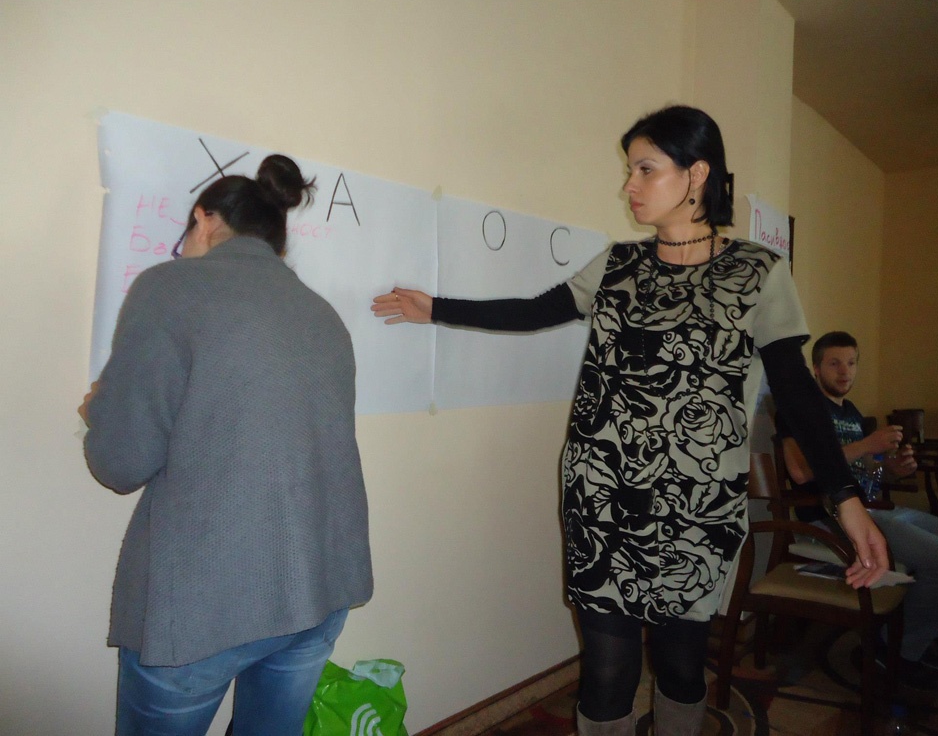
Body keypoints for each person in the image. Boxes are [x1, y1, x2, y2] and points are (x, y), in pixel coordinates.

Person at [371, 105, 888, 736]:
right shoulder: (618, 264)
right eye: (630, 170)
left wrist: (845, 499)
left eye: (646, 169)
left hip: (697, 509)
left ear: (697, 173)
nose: (629, 185)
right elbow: (535, 311)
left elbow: (798, 394)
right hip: (600, 495)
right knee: (607, 669)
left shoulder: (757, 271)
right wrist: (436, 308)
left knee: (680, 666)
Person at [79, 155, 373, 736]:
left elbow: (120, 462)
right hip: (319, 589)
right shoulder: (323, 315)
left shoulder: (169, 287)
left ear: (204, 219)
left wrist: (98, 414)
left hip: (205, 603)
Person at [778, 330, 938, 689]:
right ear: (816, 369)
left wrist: (894, 468)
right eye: (834, 363)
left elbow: (869, 471)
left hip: (875, 509)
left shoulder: (852, 413)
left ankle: (916, 629)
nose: (844, 371)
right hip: (834, 519)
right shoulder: (802, 410)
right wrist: (866, 444)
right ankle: (892, 651)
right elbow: (800, 472)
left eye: (851, 363)